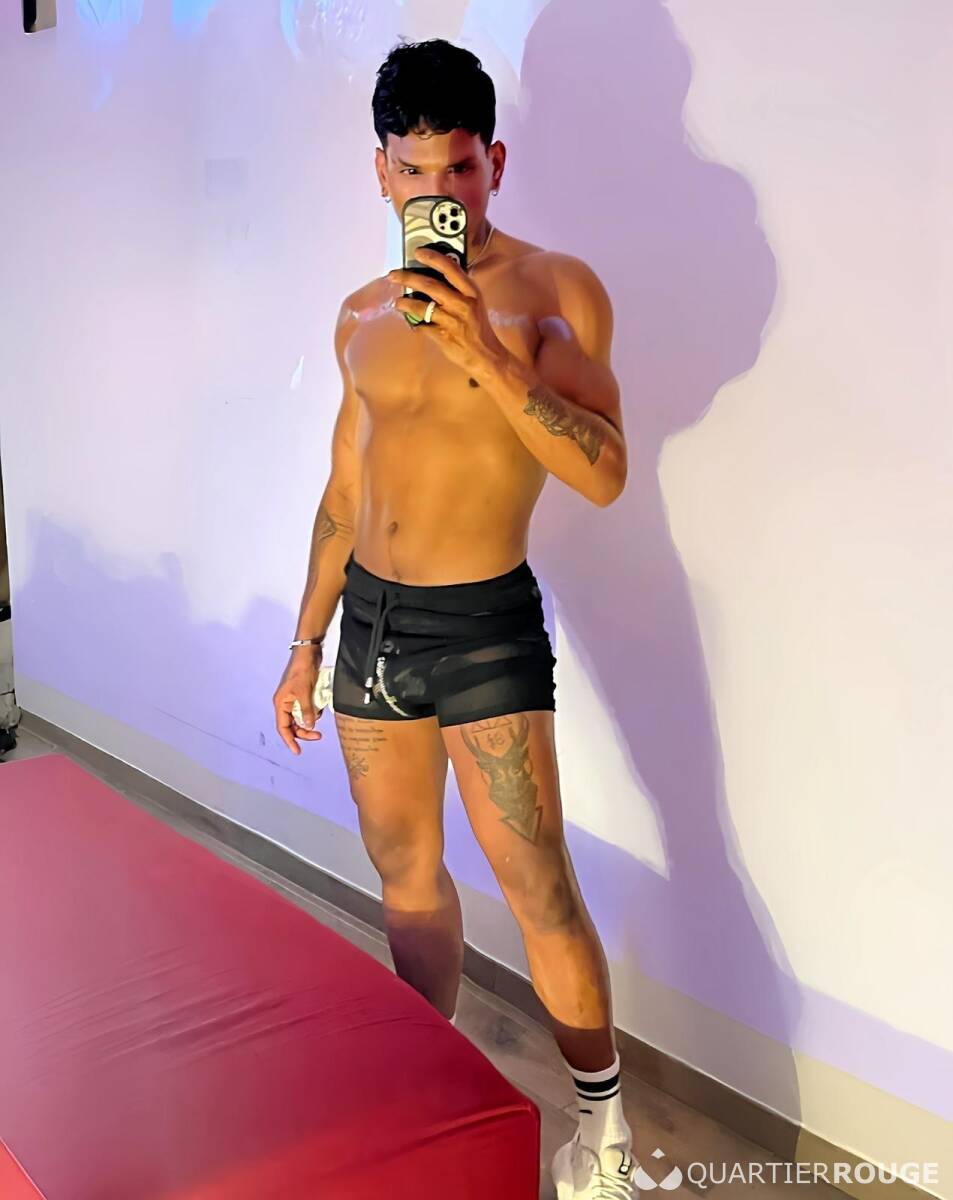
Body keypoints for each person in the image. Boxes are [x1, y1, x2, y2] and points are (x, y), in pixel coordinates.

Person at [272, 37, 633, 1199]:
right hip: (370, 631)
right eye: (415, 170)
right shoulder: (358, 315)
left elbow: (604, 473)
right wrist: (304, 643)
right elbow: (344, 492)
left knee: (536, 884)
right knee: (406, 873)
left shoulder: (555, 292)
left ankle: (604, 1126)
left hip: (483, 627)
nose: (440, 193)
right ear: (381, 173)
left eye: (461, 168)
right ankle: (424, 1080)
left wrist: (488, 352)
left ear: (495, 165)